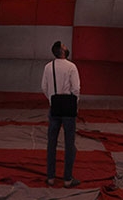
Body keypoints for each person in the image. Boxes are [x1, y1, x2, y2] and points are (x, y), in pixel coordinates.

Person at [41, 40, 81, 188]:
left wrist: (52, 100)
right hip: (68, 108)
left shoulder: (48, 67)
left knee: (51, 143)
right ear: (63, 51)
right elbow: (76, 88)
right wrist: (74, 104)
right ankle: (67, 179)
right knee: (69, 144)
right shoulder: (71, 67)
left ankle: (50, 177)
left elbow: (43, 87)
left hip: (54, 107)